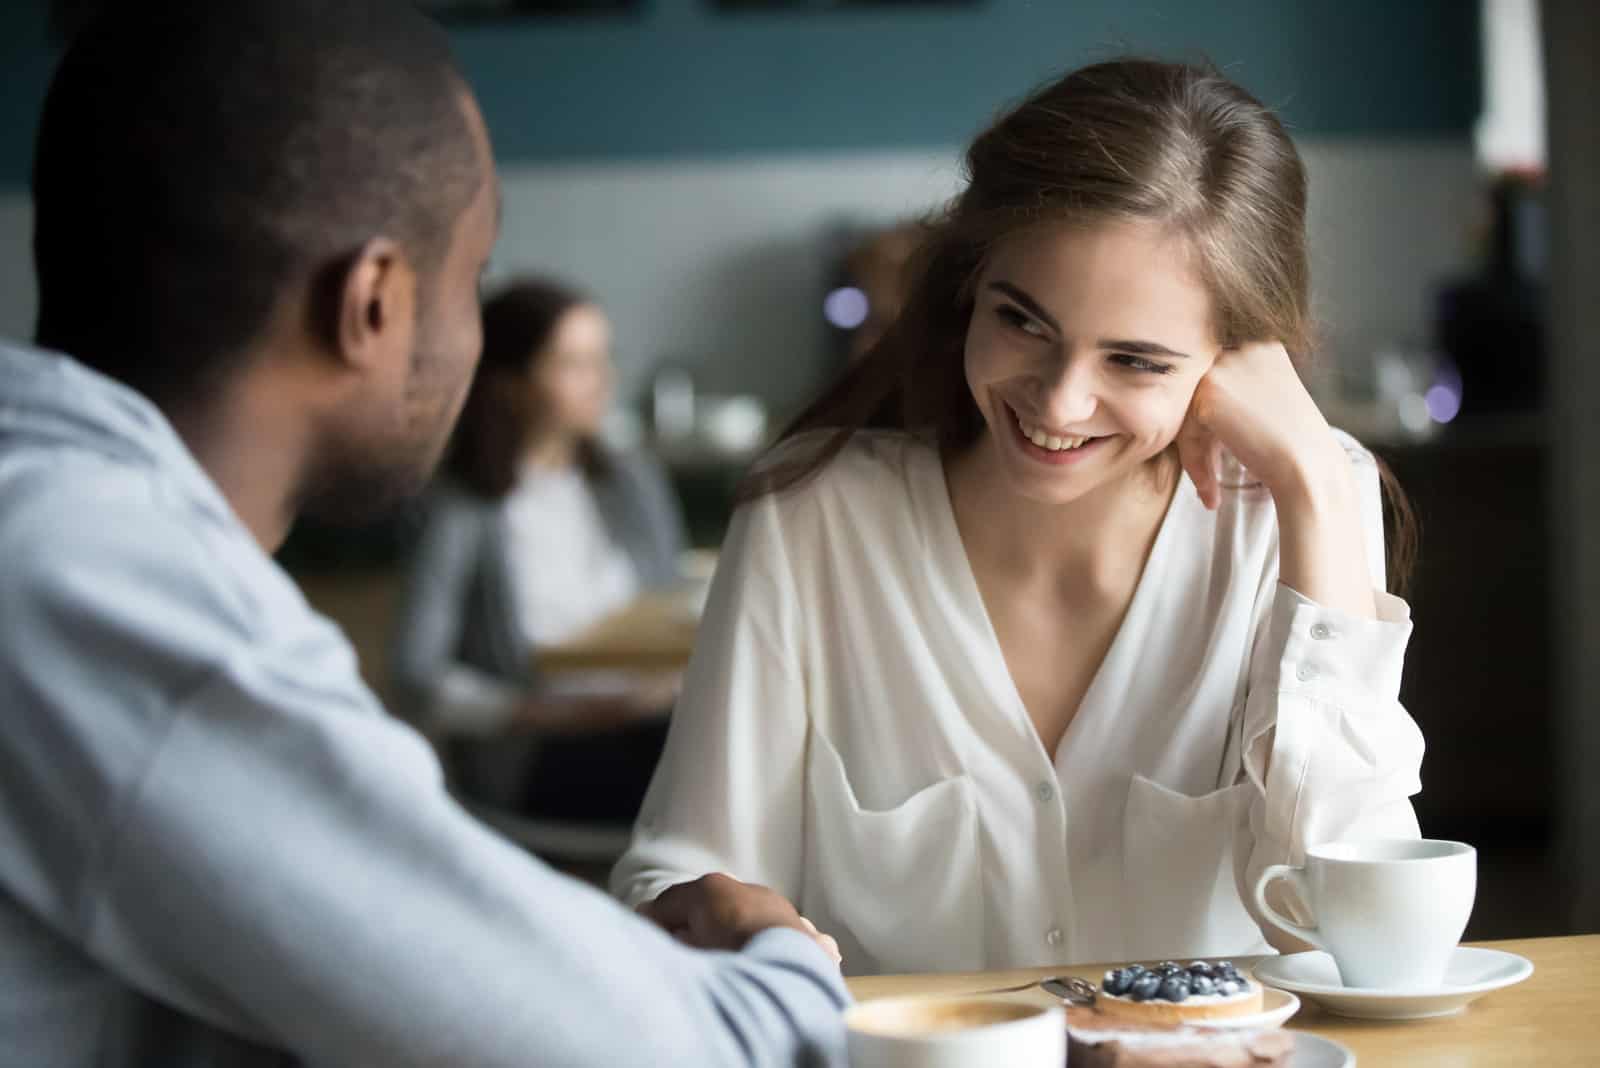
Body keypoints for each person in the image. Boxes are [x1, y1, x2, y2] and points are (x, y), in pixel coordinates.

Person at [0, 3, 846, 1066]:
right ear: (373, 301)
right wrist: (787, 954)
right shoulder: (98, 584)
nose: (475, 334)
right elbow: (684, 1054)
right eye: (472, 276)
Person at [613, 57, 1427, 975]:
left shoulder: (1297, 507)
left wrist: (1314, 480)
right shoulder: (812, 519)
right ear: (972, 282)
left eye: (1137, 361)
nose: (1060, 404)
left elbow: (1357, 931)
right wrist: (723, 916)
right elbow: (682, 876)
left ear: (1234, 358)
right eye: (1024, 322)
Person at [391, 277, 686, 822]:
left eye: (602, 360)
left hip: (653, 722)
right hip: (538, 751)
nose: (601, 382)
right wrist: (551, 714)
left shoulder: (631, 482)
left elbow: (669, 616)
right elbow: (415, 676)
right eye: (573, 364)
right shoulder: (461, 507)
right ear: (508, 383)